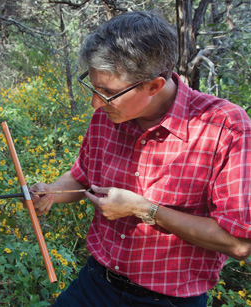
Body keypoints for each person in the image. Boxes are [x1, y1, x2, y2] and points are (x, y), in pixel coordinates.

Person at [29, 10, 251, 307]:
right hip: (95, 282)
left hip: (168, 300)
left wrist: (144, 209)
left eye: (107, 92)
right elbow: (82, 176)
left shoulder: (225, 126)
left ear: (154, 86)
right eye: (93, 86)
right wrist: (52, 192)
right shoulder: (107, 116)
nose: (96, 102)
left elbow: (237, 242)